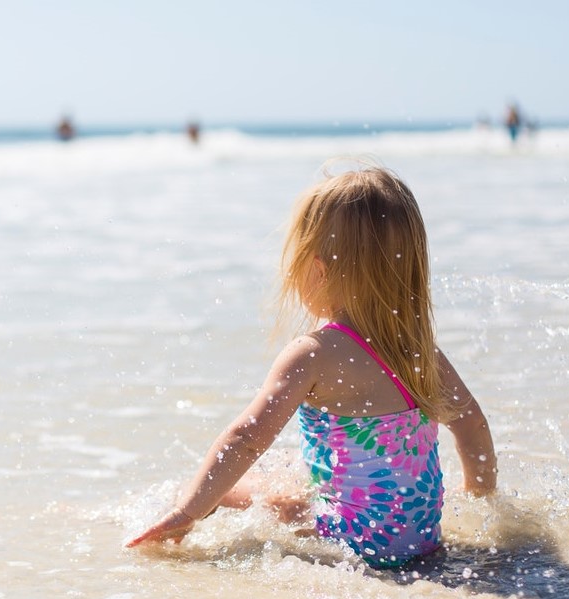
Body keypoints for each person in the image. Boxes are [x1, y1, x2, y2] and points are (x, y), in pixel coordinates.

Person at [126, 163, 497, 568]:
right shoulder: (422, 352)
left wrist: (190, 511)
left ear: (317, 269)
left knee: (229, 491)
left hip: (351, 543)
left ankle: (165, 515)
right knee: (289, 465)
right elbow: (472, 424)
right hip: (420, 542)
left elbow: (246, 439)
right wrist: (480, 500)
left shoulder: (313, 353)